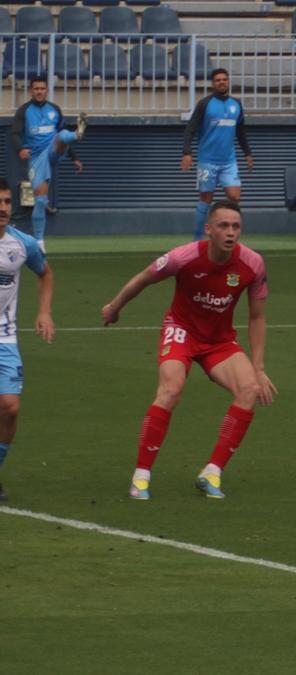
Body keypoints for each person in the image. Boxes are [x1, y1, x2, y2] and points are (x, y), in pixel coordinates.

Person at [101, 200, 276, 500]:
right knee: (171, 389)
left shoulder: (252, 265)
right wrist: (114, 307)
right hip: (181, 330)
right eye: (223, 226)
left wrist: (258, 367)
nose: (230, 232)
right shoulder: (182, 258)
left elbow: (257, 316)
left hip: (219, 341)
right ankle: (141, 476)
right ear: (208, 229)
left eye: (236, 226)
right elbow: (143, 279)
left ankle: (212, 473)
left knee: (249, 388)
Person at [0, 178, 55, 502]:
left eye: (7, 202)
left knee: (10, 408)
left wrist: (44, 311)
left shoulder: (22, 244)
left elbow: (46, 274)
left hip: (4, 337)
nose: (3, 208)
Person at [11, 76, 87, 253]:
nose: (39, 91)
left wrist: (74, 158)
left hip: (53, 150)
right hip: (36, 157)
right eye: (36, 88)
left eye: (42, 88)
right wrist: (20, 149)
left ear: (46, 90)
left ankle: (77, 134)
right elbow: (14, 134)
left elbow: (61, 131)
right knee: (40, 201)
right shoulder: (24, 111)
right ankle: (39, 242)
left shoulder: (54, 109)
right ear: (31, 90)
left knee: (61, 136)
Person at [182, 69, 253, 242]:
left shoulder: (236, 104)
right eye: (217, 80)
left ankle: (231, 235)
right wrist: (187, 152)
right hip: (207, 161)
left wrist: (247, 152)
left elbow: (240, 130)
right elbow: (190, 128)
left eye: (224, 79)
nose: (221, 82)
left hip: (229, 161)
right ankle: (198, 239)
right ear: (213, 84)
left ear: (228, 82)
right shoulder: (205, 104)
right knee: (206, 198)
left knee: (235, 196)